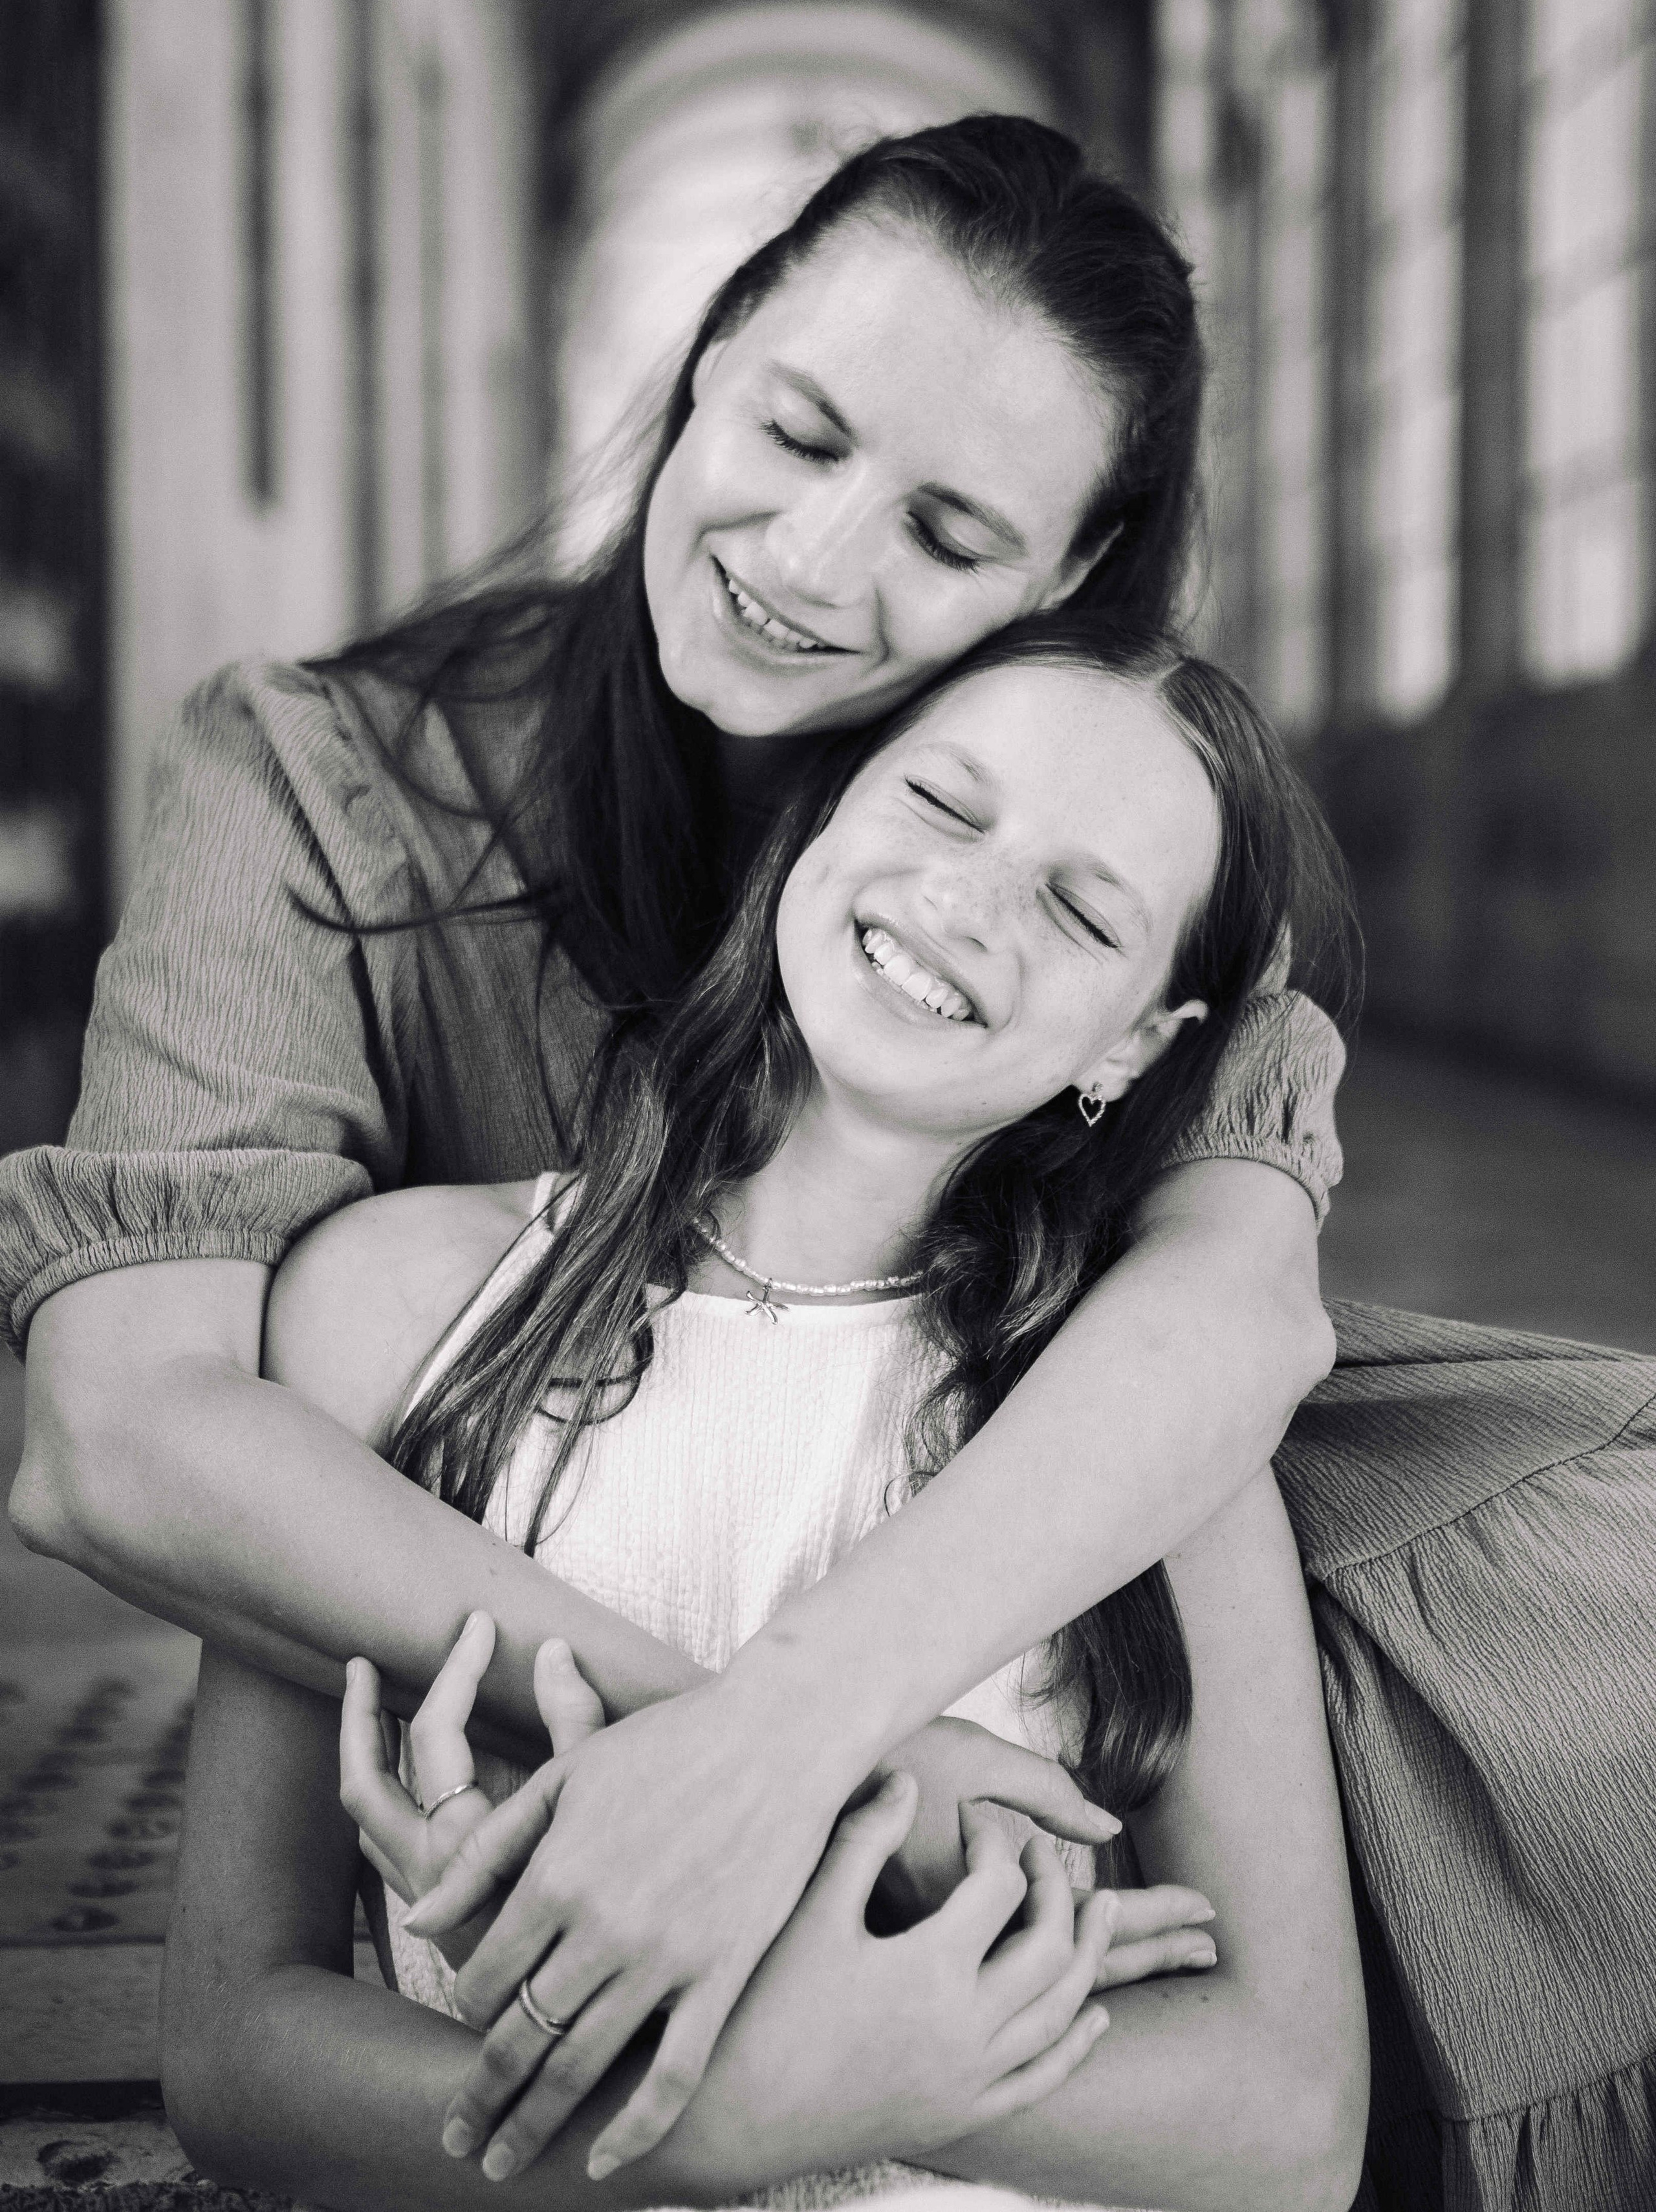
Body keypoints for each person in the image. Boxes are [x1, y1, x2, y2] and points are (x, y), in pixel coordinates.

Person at [6, 120, 1348, 2163]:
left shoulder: (1100, 874)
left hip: (977, 1965)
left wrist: (785, 1749)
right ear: (714, 343)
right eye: (800, 430)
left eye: (949, 535)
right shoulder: (315, 780)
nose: (811, 561)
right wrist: (779, 1758)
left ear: (1070, 575)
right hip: (498, 1885)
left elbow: (1233, 1318)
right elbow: (120, 1440)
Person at [158, 617, 1369, 2212]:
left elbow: (1288, 2122)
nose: (966, 900)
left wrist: (853, 2068)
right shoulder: (388, 1307)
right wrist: (727, 2120)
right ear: (816, 813)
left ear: (1137, 1042)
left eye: (1081, 911)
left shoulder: (1131, 1423)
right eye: (941, 806)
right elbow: (237, 2048)